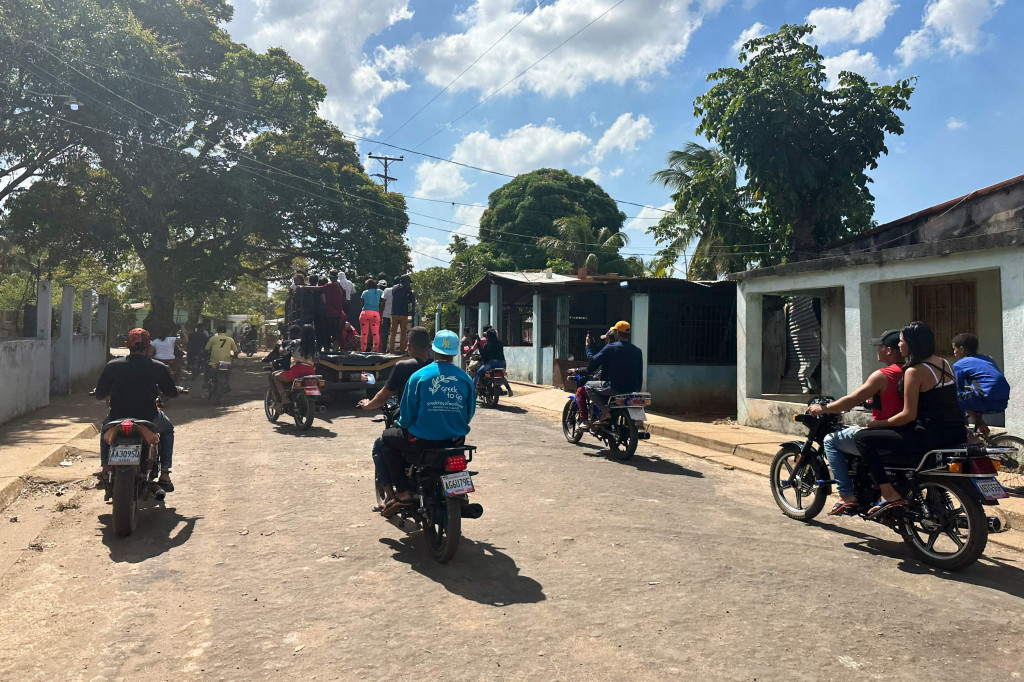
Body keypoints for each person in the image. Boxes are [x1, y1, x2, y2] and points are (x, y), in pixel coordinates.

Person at [854, 321, 969, 517]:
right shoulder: (943, 363)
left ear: (911, 344)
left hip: (929, 435)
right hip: (956, 433)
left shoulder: (914, 371)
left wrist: (877, 424)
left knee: (862, 438)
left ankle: (888, 492)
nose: (899, 346)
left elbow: (908, 415)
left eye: (901, 341)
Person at [806, 329, 904, 516]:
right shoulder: (911, 371)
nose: (878, 351)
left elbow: (851, 399)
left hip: (882, 436)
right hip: (904, 434)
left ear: (889, 350)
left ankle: (847, 497)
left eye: (880, 347)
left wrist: (823, 408)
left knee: (831, 440)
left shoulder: (883, 375)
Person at [378, 330, 475, 517]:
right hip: (454, 441)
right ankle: (460, 494)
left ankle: (403, 492)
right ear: (454, 352)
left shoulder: (419, 377)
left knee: (385, 439)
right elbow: (468, 413)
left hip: (422, 442)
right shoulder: (465, 379)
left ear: (434, 350)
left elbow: (406, 416)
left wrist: (403, 424)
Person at [94, 328, 179, 492]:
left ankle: (105, 468)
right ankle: (165, 473)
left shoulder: (113, 366)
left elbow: (100, 395)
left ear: (127, 345)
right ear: (148, 345)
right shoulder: (158, 367)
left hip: (117, 416)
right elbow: (171, 393)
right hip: (149, 417)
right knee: (168, 431)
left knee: (105, 431)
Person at [358, 326, 433, 511]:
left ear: (408, 345)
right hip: (445, 431)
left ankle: (397, 494)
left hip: (416, 430)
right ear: (430, 346)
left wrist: (367, 405)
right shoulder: (438, 368)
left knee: (382, 441)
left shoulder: (404, 367)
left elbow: (382, 398)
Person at [579, 320, 643, 427]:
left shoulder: (610, 348)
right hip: (633, 389)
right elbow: (639, 372)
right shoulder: (637, 350)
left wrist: (587, 347)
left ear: (617, 333)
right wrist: (638, 389)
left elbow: (593, 360)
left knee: (589, 386)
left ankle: (604, 412)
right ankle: (638, 420)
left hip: (614, 388)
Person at [952, 332, 1011, 438]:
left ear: (961, 349)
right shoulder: (988, 358)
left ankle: (964, 437)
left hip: (985, 397)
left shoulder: (959, 364)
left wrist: (978, 420)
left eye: (954, 349)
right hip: (1003, 399)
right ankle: (978, 430)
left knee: (953, 400)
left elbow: (957, 390)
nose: (954, 353)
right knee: (966, 401)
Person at [270, 325, 318, 406]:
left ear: (301, 333)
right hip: (310, 372)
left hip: (296, 371)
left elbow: (283, 352)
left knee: (276, 377)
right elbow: (317, 361)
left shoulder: (295, 342)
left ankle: (284, 399)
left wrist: (280, 345)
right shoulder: (315, 345)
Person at [474, 327, 513, 396]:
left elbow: (484, 355)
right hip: (502, 364)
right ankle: (509, 390)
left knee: (478, 373)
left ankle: (473, 389)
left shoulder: (487, 345)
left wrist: (479, 346)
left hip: (491, 364)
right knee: (502, 376)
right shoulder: (500, 343)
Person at [387, 274, 415, 355]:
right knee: (403, 332)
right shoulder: (408, 288)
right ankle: (402, 350)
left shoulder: (394, 287)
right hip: (403, 313)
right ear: (405, 281)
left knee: (393, 332)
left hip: (394, 313)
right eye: (408, 281)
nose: (409, 283)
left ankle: (391, 350)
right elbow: (410, 299)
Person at [205, 325, 238, 392]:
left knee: (206, 366)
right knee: (228, 371)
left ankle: (205, 382)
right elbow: (236, 351)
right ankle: (227, 383)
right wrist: (234, 356)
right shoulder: (230, 339)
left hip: (214, 363)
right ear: (225, 331)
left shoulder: (213, 338)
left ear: (217, 331)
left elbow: (206, 349)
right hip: (224, 363)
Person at [321, 270, 348, 352]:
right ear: (337, 277)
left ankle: (327, 348)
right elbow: (344, 299)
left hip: (329, 313)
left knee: (327, 331)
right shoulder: (340, 287)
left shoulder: (326, 286)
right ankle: (336, 347)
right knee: (337, 331)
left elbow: (323, 300)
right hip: (338, 313)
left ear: (329, 277)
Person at [359, 279, 383, 352]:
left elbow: (362, 303)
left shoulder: (364, 292)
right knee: (375, 333)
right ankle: (375, 348)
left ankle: (363, 348)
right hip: (375, 313)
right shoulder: (379, 292)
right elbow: (383, 300)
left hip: (365, 313)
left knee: (364, 333)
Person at [379, 280, 393, 352]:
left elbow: (383, 303)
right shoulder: (395, 290)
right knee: (392, 332)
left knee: (384, 332)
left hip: (385, 314)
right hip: (393, 315)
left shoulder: (386, 291)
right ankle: (390, 349)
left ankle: (383, 348)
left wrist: (380, 313)